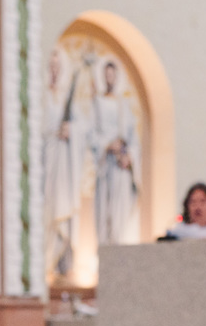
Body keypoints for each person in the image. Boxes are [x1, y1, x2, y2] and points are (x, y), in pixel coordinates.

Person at [89, 59, 140, 246]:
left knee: (121, 213)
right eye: (106, 74)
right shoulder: (98, 103)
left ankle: (120, 249)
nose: (109, 78)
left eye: (113, 74)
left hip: (121, 167)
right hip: (106, 165)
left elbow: (134, 138)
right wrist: (107, 145)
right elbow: (92, 134)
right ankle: (104, 250)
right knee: (105, 211)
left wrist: (129, 156)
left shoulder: (124, 105)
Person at [43, 48, 84, 279]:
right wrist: (53, 132)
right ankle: (46, 261)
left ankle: (64, 266)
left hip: (65, 166)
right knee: (48, 209)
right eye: (51, 67)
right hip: (48, 162)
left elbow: (82, 129)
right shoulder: (43, 97)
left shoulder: (70, 100)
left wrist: (71, 131)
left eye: (58, 66)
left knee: (64, 210)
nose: (55, 71)